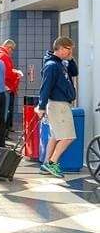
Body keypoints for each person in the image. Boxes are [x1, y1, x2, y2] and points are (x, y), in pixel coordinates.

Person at [35, 37, 77, 178]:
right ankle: (51, 163)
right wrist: (41, 107)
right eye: (68, 48)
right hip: (58, 105)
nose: (70, 51)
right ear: (60, 48)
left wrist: (70, 59)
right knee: (68, 137)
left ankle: (46, 164)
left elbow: (75, 72)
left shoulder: (60, 63)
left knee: (55, 137)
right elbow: (45, 87)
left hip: (59, 105)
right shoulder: (52, 65)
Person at [0, 40, 23, 134]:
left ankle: (2, 131)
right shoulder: (4, 56)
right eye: (12, 49)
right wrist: (16, 75)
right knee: (5, 111)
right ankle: (3, 132)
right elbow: (7, 73)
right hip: (6, 88)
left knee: (0, 111)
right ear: (8, 47)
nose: (12, 52)